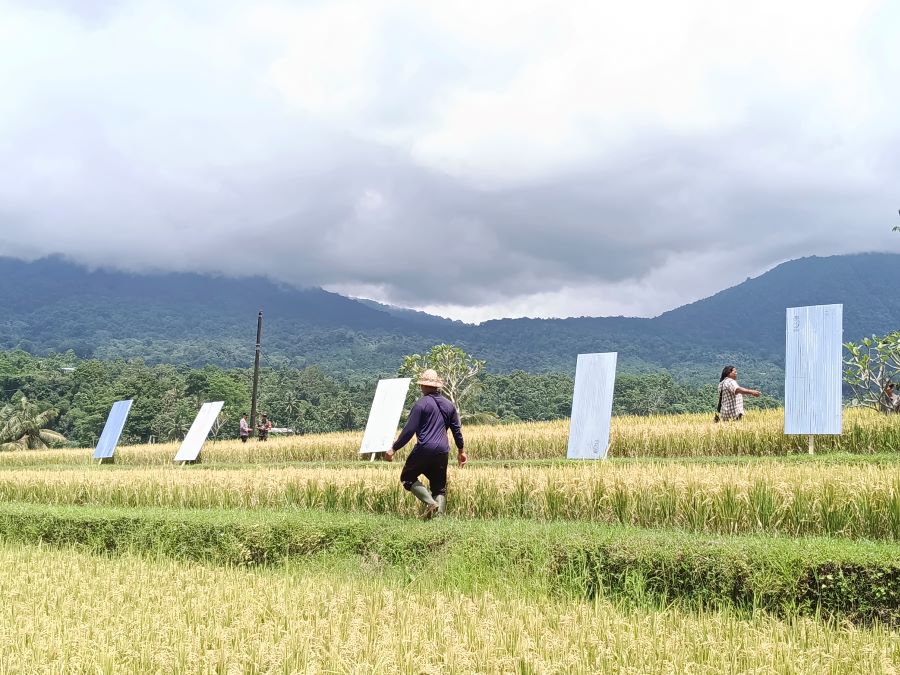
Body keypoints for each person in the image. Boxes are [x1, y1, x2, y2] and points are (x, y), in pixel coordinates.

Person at [385, 369, 467, 519]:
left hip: (424, 448)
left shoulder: (421, 404)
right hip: (443, 450)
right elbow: (457, 430)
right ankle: (439, 521)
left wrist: (394, 448)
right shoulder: (449, 405)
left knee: (407, 478)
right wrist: (461, 451)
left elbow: (409, 430)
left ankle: (430, 503)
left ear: (423, 386)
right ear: (437, 386)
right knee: (439, 488)